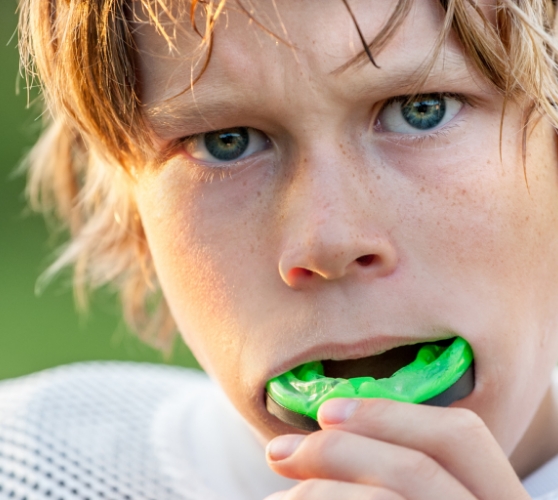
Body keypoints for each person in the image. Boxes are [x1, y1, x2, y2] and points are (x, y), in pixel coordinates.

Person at [3, 0, 558, 498]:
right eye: (227, 142)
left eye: (421, 108)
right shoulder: (29, 469)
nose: (328, 242)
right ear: (133, 214)